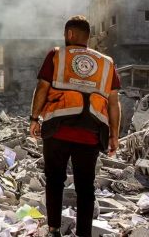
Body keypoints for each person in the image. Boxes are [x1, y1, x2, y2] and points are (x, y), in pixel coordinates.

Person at [29, 15, 121, 237]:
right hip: (91, 133)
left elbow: (42, 88)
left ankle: (54, 230)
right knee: (85, 187)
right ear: (88, 36)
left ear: (70, 34)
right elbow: (113, 103)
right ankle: (83, 234)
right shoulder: (106, 62)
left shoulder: (57, 54)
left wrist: (34, 118)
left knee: (54, 181)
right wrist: (114, 136)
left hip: (58, 130)